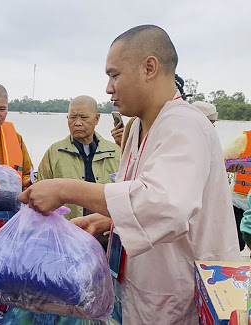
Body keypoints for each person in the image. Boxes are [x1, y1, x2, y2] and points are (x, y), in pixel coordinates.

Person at [19, 25, 240, 324]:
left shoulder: (186, 125)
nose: (109, 88)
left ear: (149, 68)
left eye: (114, 75)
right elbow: (135, 193)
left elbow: (163, 205)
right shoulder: (137, 126)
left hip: (179, 290)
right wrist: (107, 218)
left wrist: (63, 189)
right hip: (141, 284)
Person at [38, 95, 120, 220]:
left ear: (97, 118)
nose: (77, 123)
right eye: (72, 118)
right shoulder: (55, 152)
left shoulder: (115, 151)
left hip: (105, 229)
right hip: (68, 228)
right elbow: (41, 190)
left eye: (84, 117)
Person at [224, 131, 250, 250]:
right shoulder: (244, 139)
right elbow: (222, 159)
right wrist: (230, 167)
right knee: (235, 244)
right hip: (238, 201)